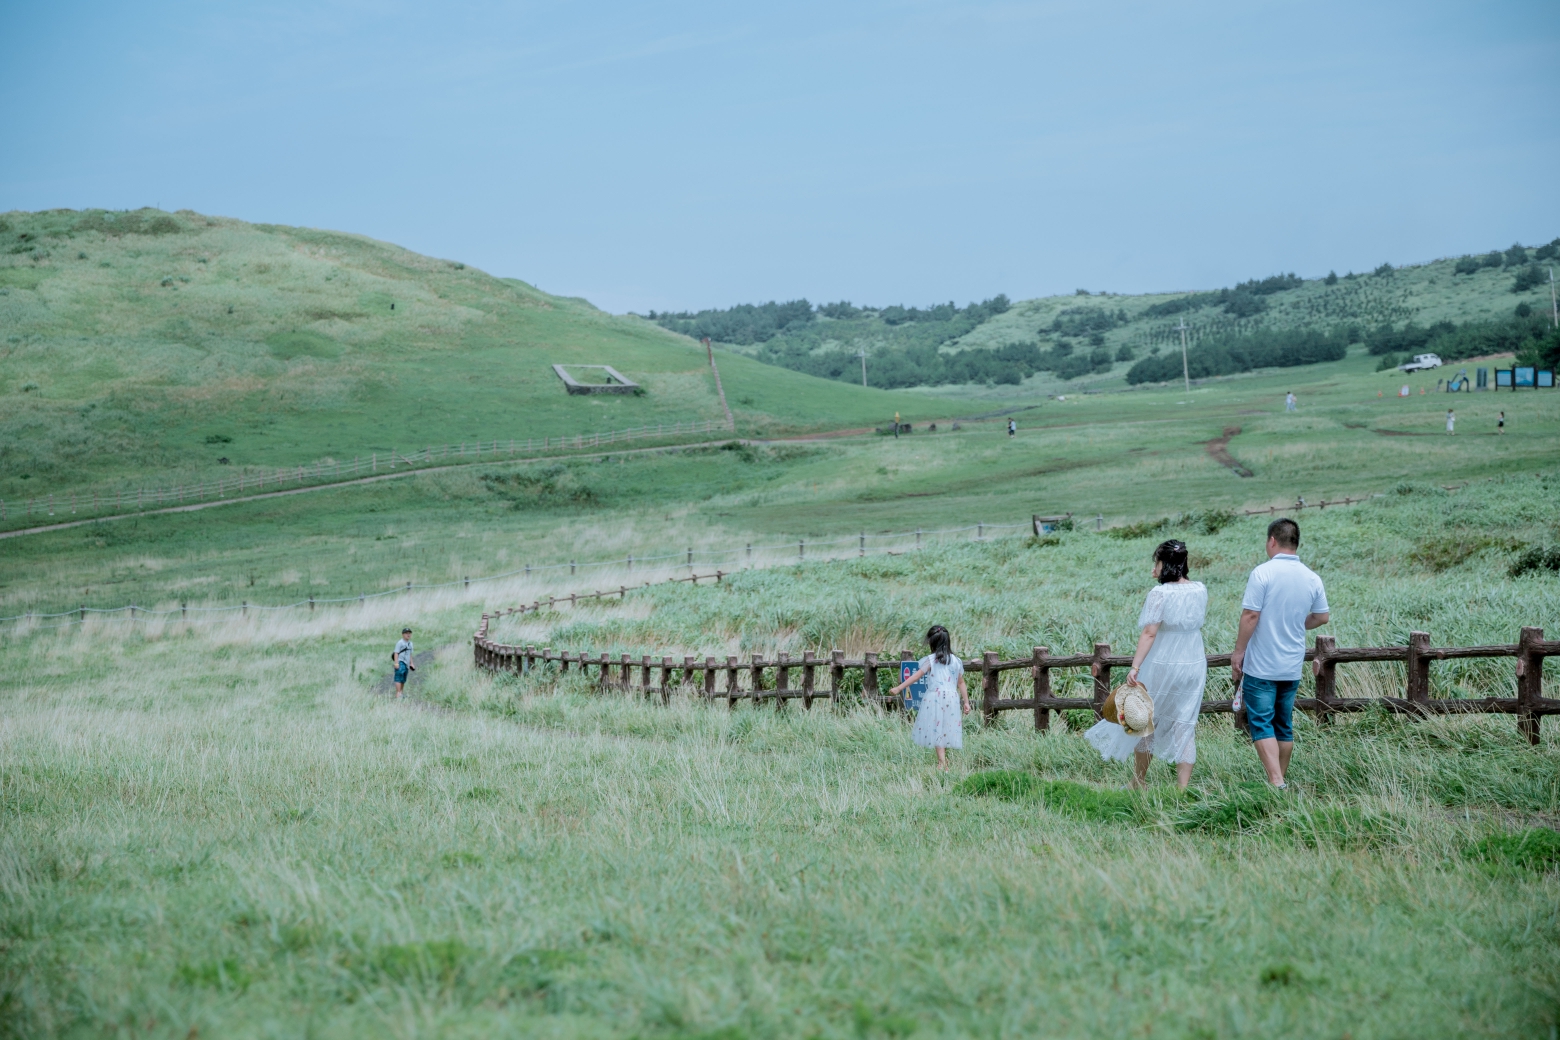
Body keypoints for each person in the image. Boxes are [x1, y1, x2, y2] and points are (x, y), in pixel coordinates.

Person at [1086, 540, 1207, 789]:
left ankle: (1139, 781)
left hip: (1164, 662)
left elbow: (1150, 633)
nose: (1154, 567)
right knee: (1185, 724)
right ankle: (1182, 789)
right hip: (1193, 662)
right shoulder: (1199, 589)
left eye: (1157, 562)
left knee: (1146, 720)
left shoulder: (1160, 593)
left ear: (1165, 564)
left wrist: (1135, 667)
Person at [1230, 519, 1329, 789]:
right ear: (1295, 543)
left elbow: (1251, 615)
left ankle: (1276, 780)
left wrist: (1238, 652)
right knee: (1283, 723)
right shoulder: (1311, 577)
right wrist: (1298, 622)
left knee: (1261, 721)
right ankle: (1279, 781)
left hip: (1262, 663)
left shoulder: (1262, 573)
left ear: (1272, 540)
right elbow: (1322, 617)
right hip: (1291, 664)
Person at [889, 625, 969, 771]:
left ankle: (942, 762)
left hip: (935, 698)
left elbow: (916, 676)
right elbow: (961, 682)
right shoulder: (956, 660)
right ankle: (943, 761)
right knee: (946, 728)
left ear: (932, 643)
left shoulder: (931, 660)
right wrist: (966, 702)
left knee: (937, 729)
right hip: (951, 698)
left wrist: (899, 687)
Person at [391, 627, 416, 697]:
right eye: (406, 633)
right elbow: (396, 653)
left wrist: (411, 663)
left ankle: (401, 693)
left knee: (403, 677)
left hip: (406, 663)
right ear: (403, 634)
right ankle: (398, 693)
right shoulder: (400, 643)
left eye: (409, 633)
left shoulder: (410, 643)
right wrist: (396, 663)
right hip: (400, 661)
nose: (408, 635)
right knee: (399, 676)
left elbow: (410, 654)